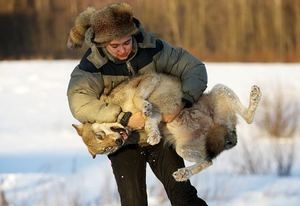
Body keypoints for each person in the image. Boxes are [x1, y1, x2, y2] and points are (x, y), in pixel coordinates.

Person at [67, 2, 208, 206]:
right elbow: (79, 102)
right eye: (114, 46)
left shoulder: (153, 49)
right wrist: (123, 118)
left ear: (133, 34)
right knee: (133, 202)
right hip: (124, 142)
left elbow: (194, 68)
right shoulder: (91, 66)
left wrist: (183, 103)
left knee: (182, 195)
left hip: (158, 132)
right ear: (101, 44)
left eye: (126, 42)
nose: (123, 50)